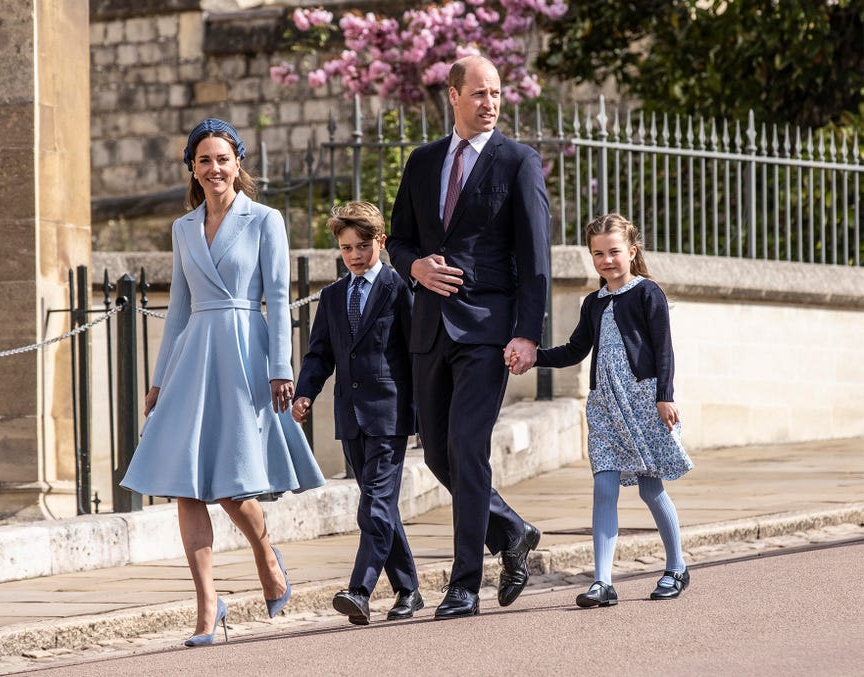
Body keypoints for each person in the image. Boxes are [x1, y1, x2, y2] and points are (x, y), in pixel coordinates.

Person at [120, 118, 325, 646]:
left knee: (233, 486)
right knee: (187, 485)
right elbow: (181, 309)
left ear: (239, 165)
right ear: (193, 167)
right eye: (205, 159)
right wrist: (160, 380)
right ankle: (208, 606)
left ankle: (264, 553)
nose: (215, 168)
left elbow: (277, 299)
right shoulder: (182, 228)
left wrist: (281, 366)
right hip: (193, 361)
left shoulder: (265, 220)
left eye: (223, 159)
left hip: (244, 352)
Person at [386, 55, 551, 619]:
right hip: (430, 328)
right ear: (452, 95)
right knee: (436, 452)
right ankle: (511, 530)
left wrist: (528, 333)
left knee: (467, 446)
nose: (490, 103)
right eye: (478, 93)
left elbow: (535, 260)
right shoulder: (423, 161)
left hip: (488, 331)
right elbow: (398, 239)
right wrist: (416, 269)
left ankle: (464, 584)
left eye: (497, 94)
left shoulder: (519, 163)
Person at [532, 213, 693, 608]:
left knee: (650, 487)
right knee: (604, 487)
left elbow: (663, 350)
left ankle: (676, 567)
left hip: (642, 398)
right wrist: (532, 357)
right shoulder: (593, 302)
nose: (606, 260)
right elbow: (574, 350)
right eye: (598, 253)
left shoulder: (647, 293)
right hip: (604, 404)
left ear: (632, 251)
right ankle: (602, 581)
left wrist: (665, 396)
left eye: (614, 252)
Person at [291, 201, 422, 626]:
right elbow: (320, 353)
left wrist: (422, 410)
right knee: (380, 505)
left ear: (381, 243)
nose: (355, 255)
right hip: (349, 415)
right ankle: (408, 590)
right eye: (346, 248)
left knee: (374, 505)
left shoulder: (399, 288)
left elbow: (415, 353)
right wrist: (306, 392)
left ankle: (360, 589)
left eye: (363, 245)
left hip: (390, 412)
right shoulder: (331, 296)